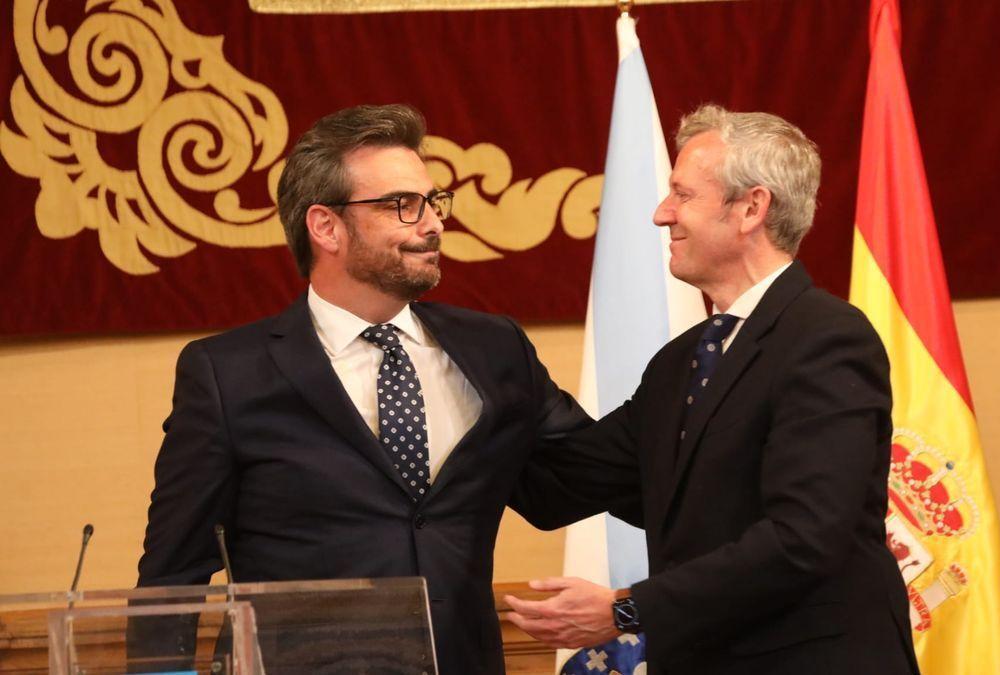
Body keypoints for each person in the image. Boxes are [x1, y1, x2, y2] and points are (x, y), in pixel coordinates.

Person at [137, 104, 590, 675]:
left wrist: (704, 377)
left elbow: (589, 474)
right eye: (403, 205)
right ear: (325, 226)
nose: (432, 224)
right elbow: (171, 577)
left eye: (432, 203)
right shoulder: (228, 374)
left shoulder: (494, 349)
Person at [505, 105, 920, 674]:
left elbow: (804, 538)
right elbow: (563, 485)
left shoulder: (826, 337)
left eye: (683, 195)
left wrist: (627, 611)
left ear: (752, 206)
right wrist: (489, 368)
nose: (661, 214)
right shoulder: (682, 362)